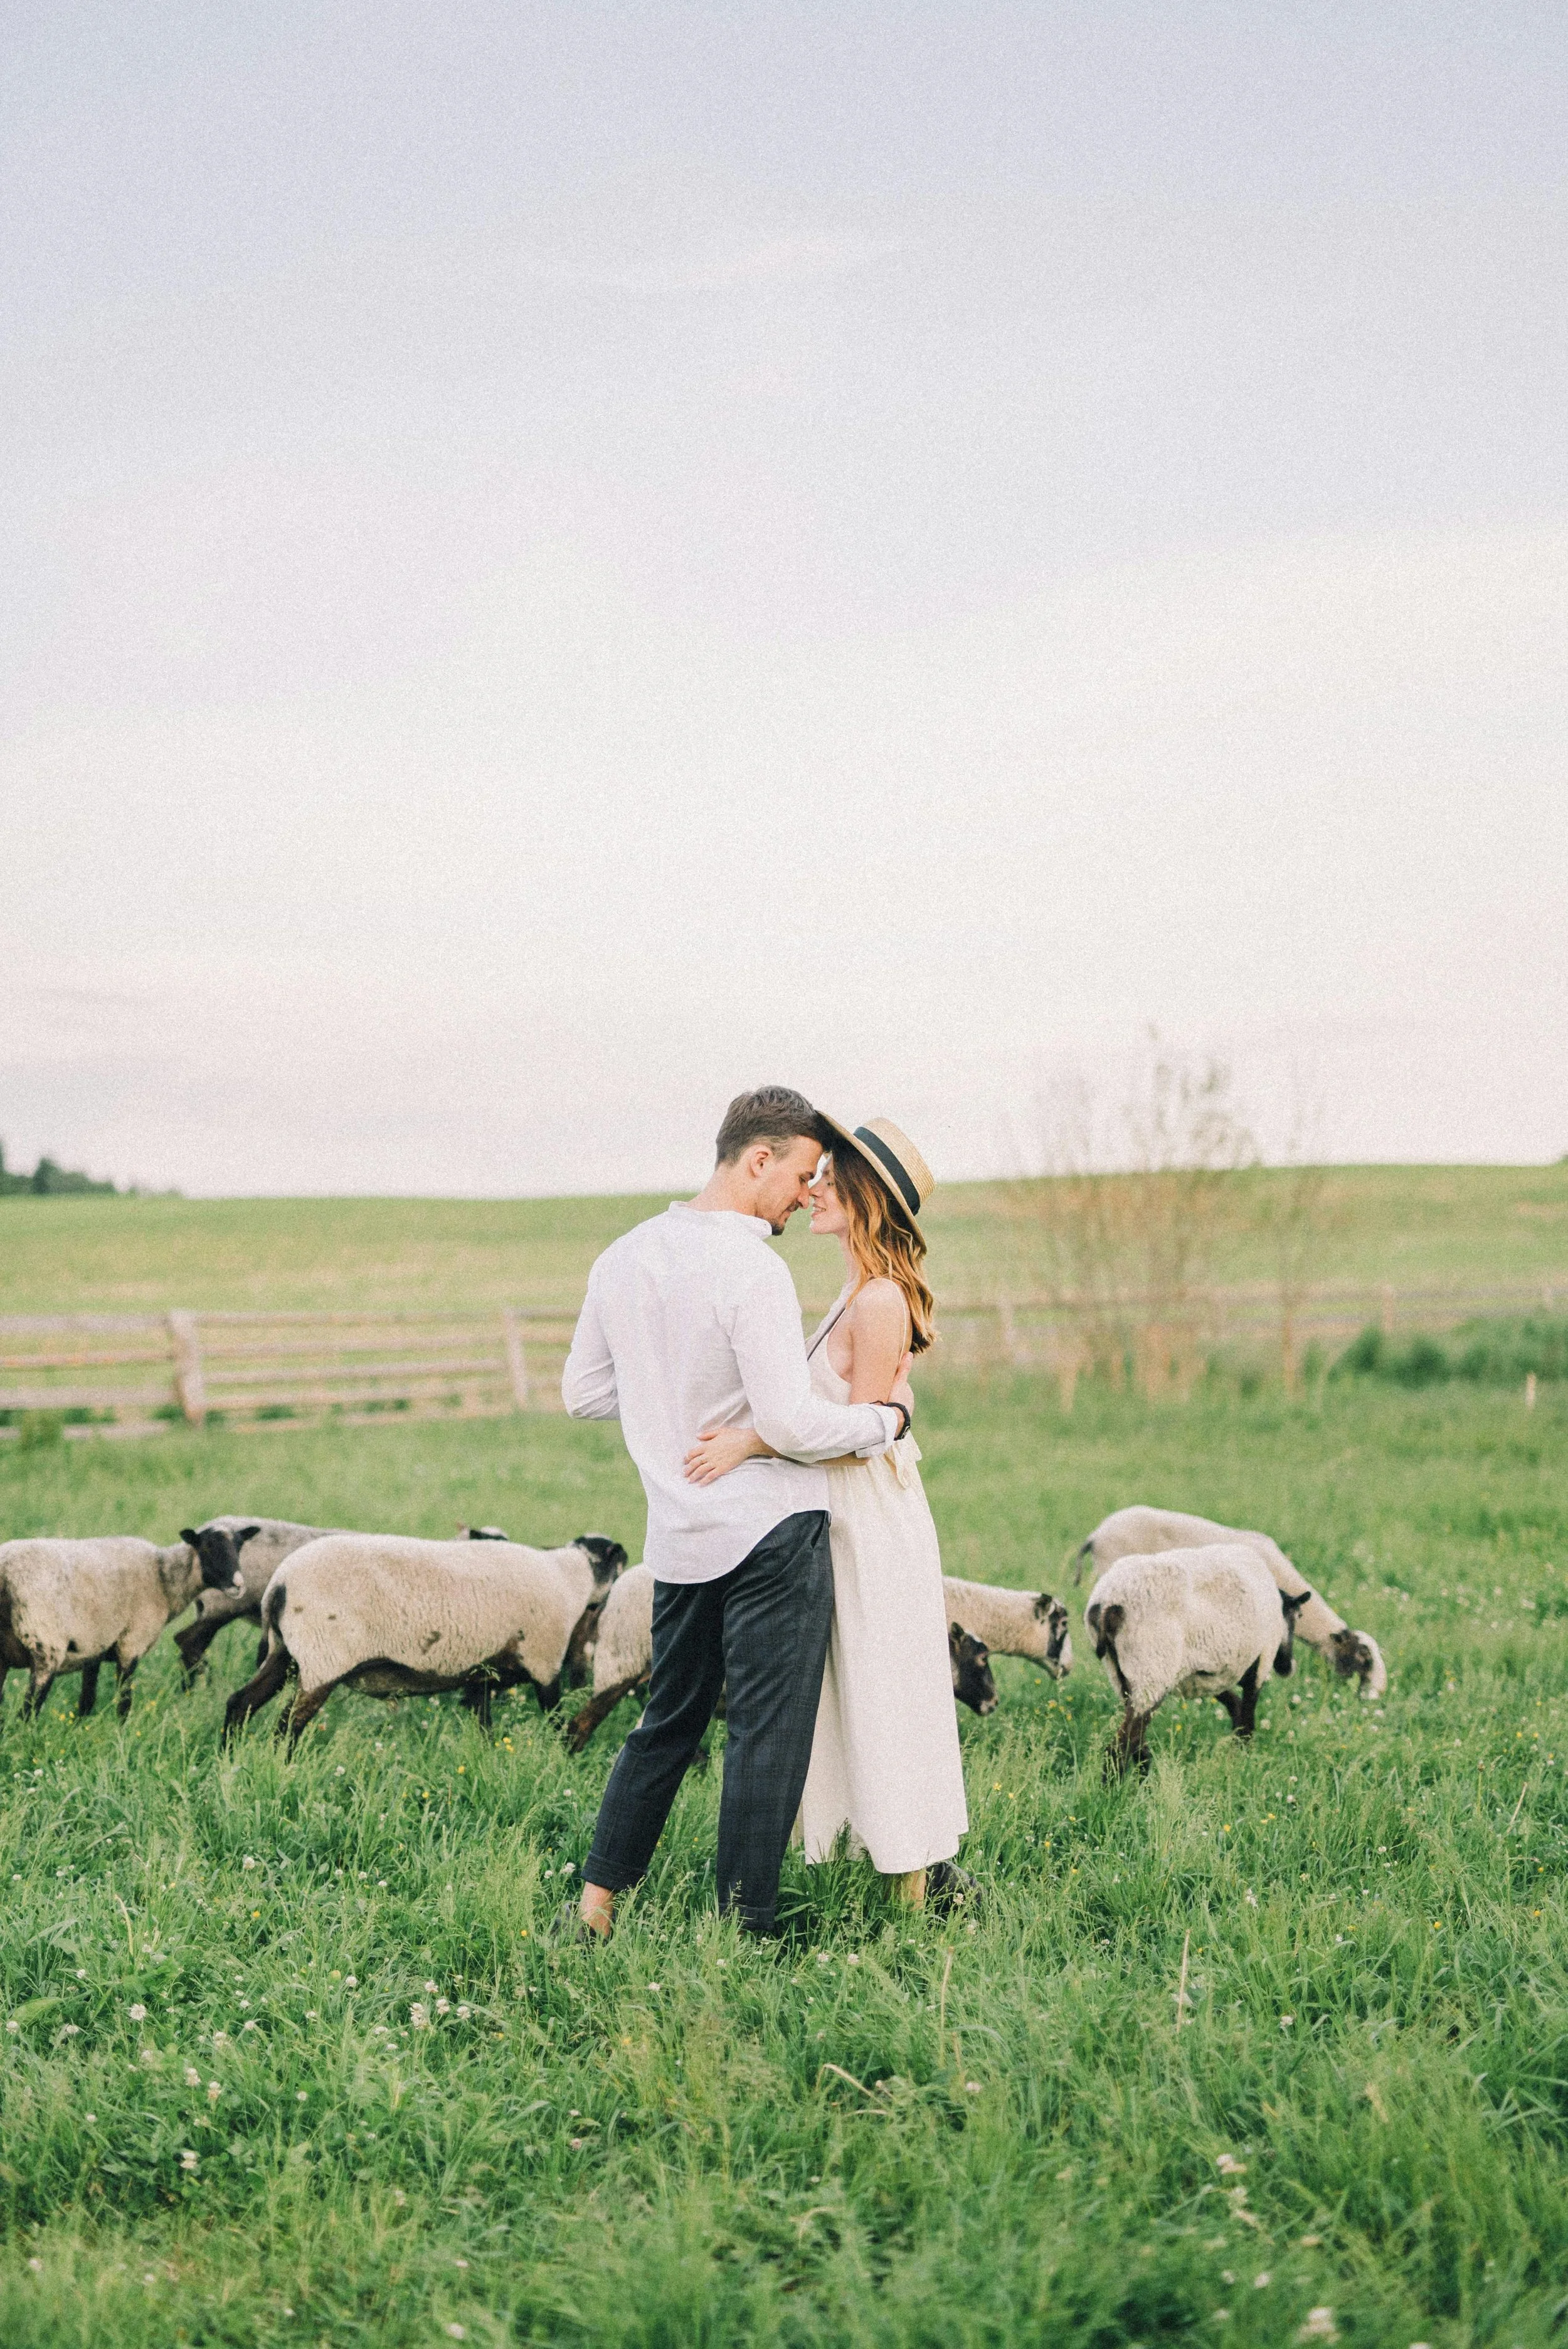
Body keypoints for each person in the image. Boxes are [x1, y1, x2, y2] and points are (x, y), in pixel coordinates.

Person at [560, 1086, 915, 1940]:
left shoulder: (622, 1257)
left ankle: (597, 1903)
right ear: (758, 1159)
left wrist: (665, 1402)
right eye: (799, 1174)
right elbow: (790, 1424)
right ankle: (747, 1926)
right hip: (772, 1534)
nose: (805, 1193)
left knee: (667, 1721)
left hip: (680, 1536)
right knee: (765, 1733)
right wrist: (884, 1423)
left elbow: (584, 1393)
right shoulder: (753, 1267)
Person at [684, 1116, 973, 1911]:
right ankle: (846, 1857)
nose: (810, 1190)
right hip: (836, 1517)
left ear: (865, 1199)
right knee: (845, 1694)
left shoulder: (879, 1301)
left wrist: (753, 1443)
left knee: (886, 1688)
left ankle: (914, 1893)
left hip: (868, 1523)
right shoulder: (853, 1291)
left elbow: (862, 1440)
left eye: (828, 1182)